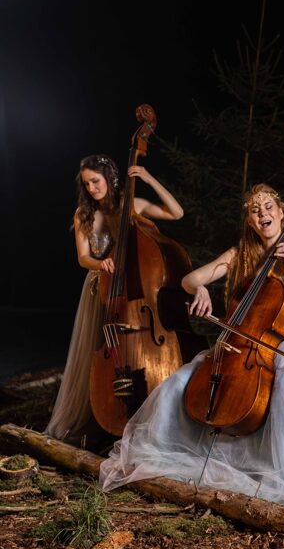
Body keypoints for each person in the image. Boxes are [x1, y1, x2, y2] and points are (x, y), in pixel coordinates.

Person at [99, 184, 284, 519]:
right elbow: (189, 280)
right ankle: (175, 454)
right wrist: (200, 290)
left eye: (268, 207)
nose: (262, 214)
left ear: (282, 212)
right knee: (179, 383)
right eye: (255, 210)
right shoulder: (240, 253)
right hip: (242, 343)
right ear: (250, 220)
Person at [45, 154, 184, 443]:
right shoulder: (83, 214)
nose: (92, 188)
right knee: (99, 352)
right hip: (101, 287)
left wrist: (148, 179)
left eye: (96, 181)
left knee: (128, 347)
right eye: (87, 184)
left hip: (133, 289)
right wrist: (101, 263)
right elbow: (83, 258)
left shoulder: (131, 205)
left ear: (109, 178)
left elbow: (176, 213)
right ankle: (98, 417)